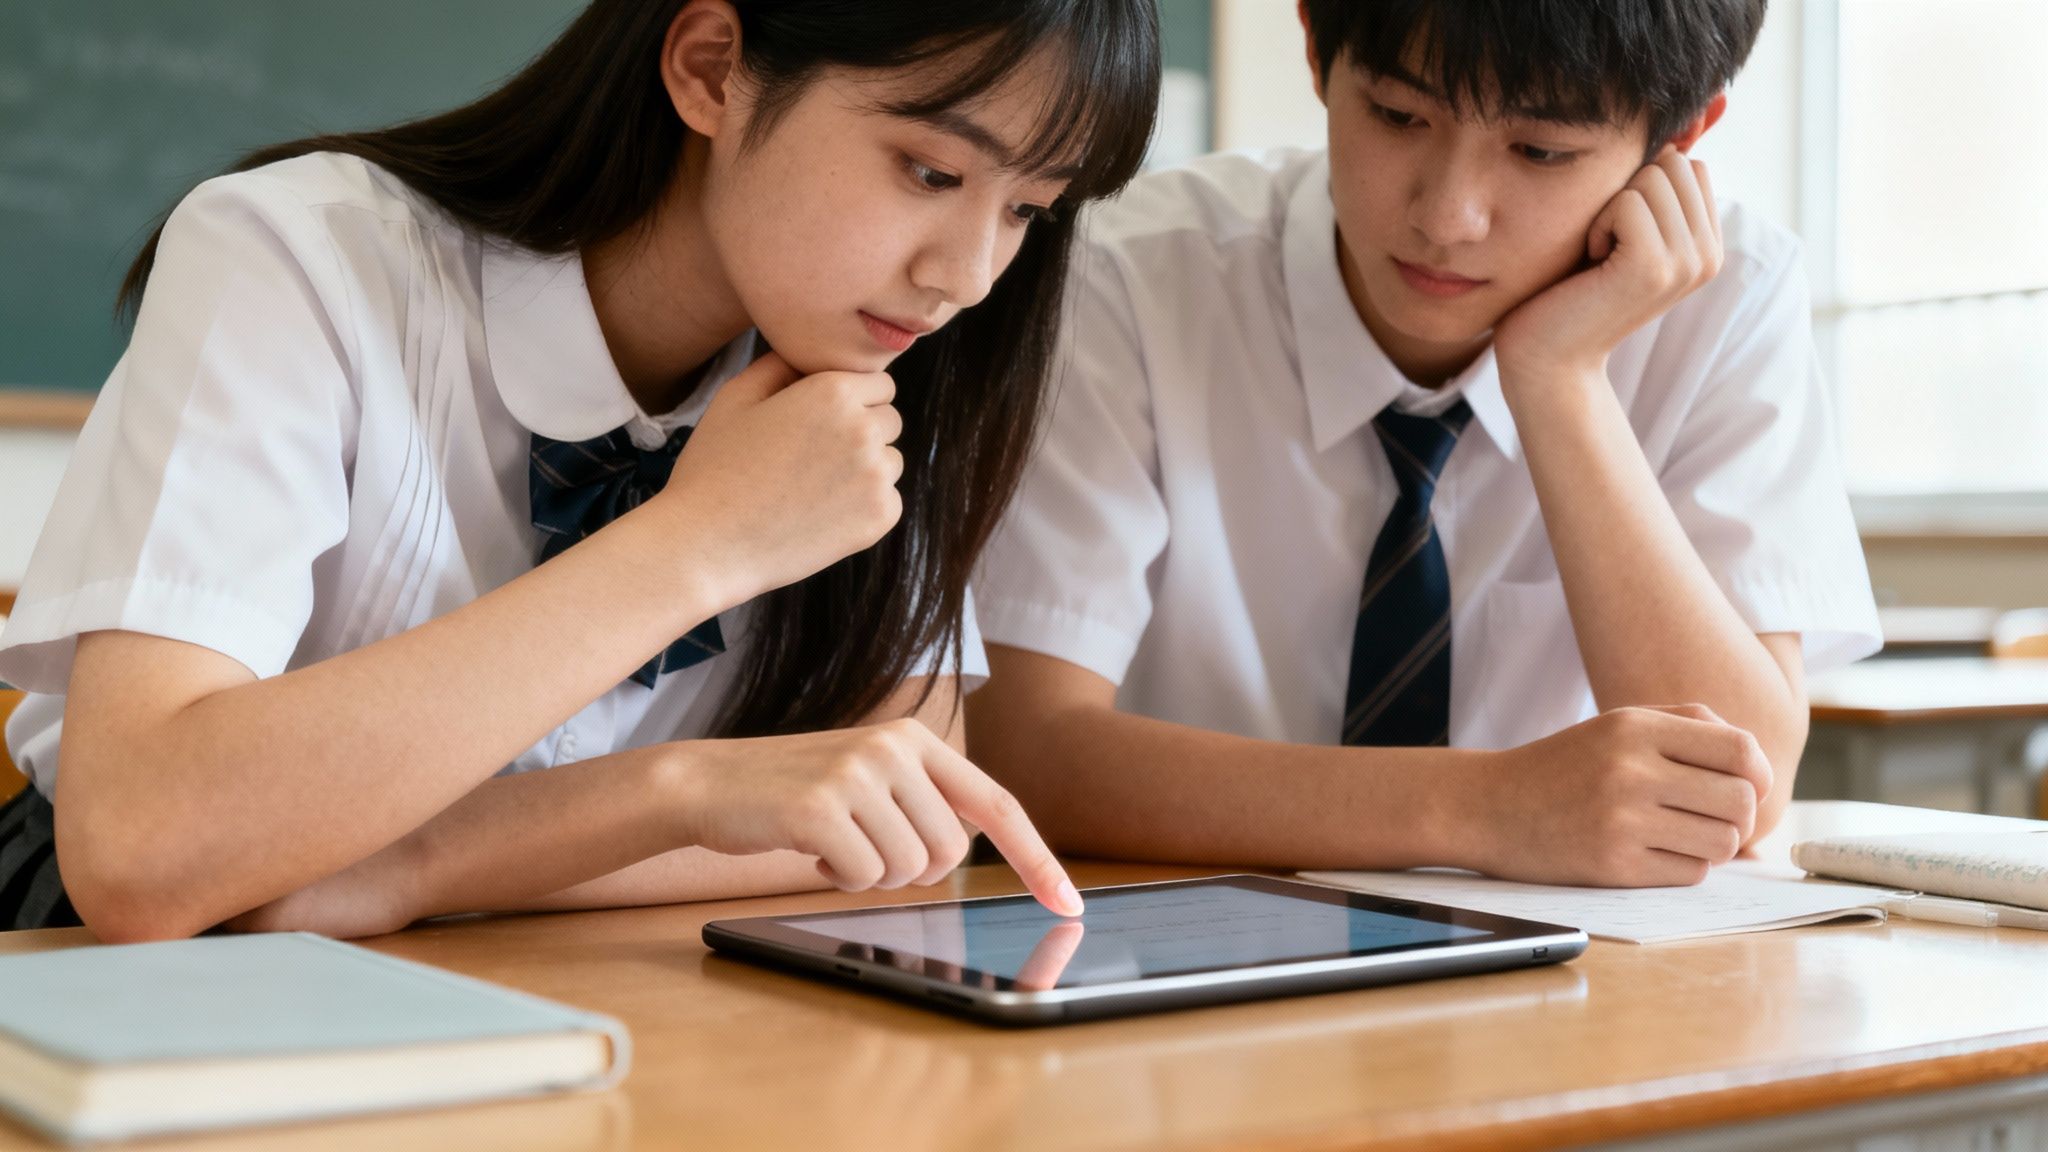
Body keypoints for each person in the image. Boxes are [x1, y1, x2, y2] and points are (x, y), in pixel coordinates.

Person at [0, 0, 1160, 938]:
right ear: (710, 69)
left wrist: (418, 865)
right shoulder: (297, 257)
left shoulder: (890, 365)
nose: (966, 273)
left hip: (551, 971)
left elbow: (904, 810)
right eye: (928, 173)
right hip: (116, 974)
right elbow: (145, 855)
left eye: (1028, 212)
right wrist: (694, 562)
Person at [967, 0, 1880, 887]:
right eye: (1399, 115)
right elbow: (1023, 752)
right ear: (1318, 47)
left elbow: (1739, 793)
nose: (1448, 217)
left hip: (1574, 998)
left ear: (1681, 135)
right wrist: (1482, 808)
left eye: (1540, 150)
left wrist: (1559, 381)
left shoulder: (1725, 300)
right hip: (1176, 970)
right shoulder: (1130, 274)